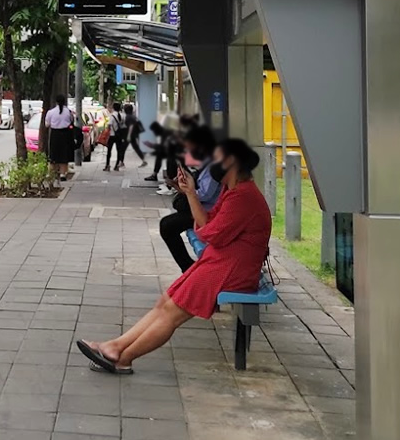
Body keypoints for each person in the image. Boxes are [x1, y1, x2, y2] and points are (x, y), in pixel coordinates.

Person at [76, 138, 271, 374]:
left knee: (172, 313)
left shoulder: (243, 197)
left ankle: (124, 357)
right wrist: (190, 192)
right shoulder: (233, 191)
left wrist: (195, 203)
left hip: (231, 270)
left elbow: (212, 234)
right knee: (165, 303)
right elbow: (206, 222)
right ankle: (115, 347)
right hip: (220, 262)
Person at [159, 126, 219, 272]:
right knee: (168, 224)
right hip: (202, 210)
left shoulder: (214, 166)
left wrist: (187, 189)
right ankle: (188, 267)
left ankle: (188, 268)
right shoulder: (205, 164)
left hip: (209, 213)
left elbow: (205, 194)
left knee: (168, 226)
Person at [45, 94, 75, 181]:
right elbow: (71, 121)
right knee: (63, 154)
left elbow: (47, 124)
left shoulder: (51, 112)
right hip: (65, 134)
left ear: (56, 102)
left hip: (55, 134)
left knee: (54, 154)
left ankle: (52, 173)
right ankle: (62, 174)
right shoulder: (68, 112)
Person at [103, 102, 127, 172]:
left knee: (109, 151)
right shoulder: (122, 116)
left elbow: (109, 125)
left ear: (113, 108)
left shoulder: (112, 116)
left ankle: (107, 165)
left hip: (112, 135)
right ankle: (117, 166)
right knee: (119, 151)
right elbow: (124, 126)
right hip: (119, 135)